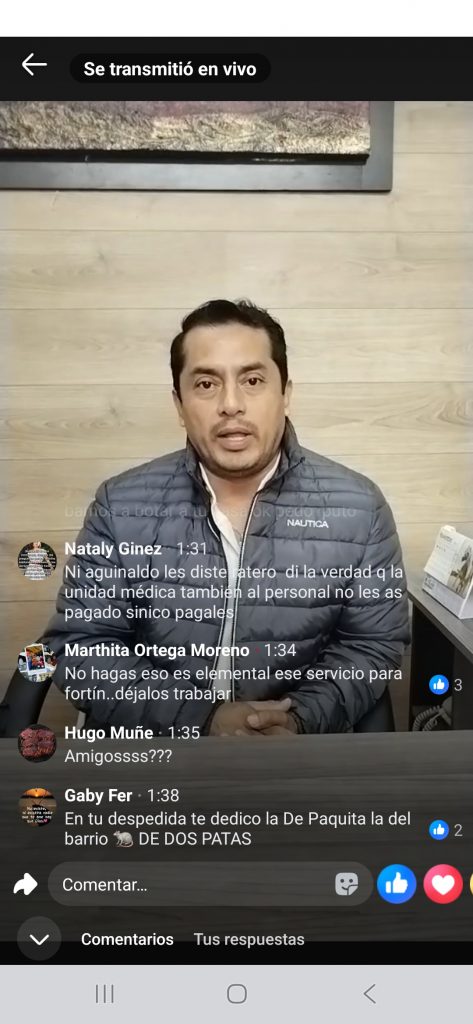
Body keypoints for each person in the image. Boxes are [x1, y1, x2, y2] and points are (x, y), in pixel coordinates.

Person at [42, 299, 410, 736]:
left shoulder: (360, 507)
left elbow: (370, 645)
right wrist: (203, 719)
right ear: (179, 405)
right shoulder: (118, 504)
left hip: (294, 751)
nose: (231, 404)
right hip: (158, 750)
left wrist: (299, 720)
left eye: (252, 380)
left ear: (286, 394)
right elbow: (80, 645)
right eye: (205, 384)